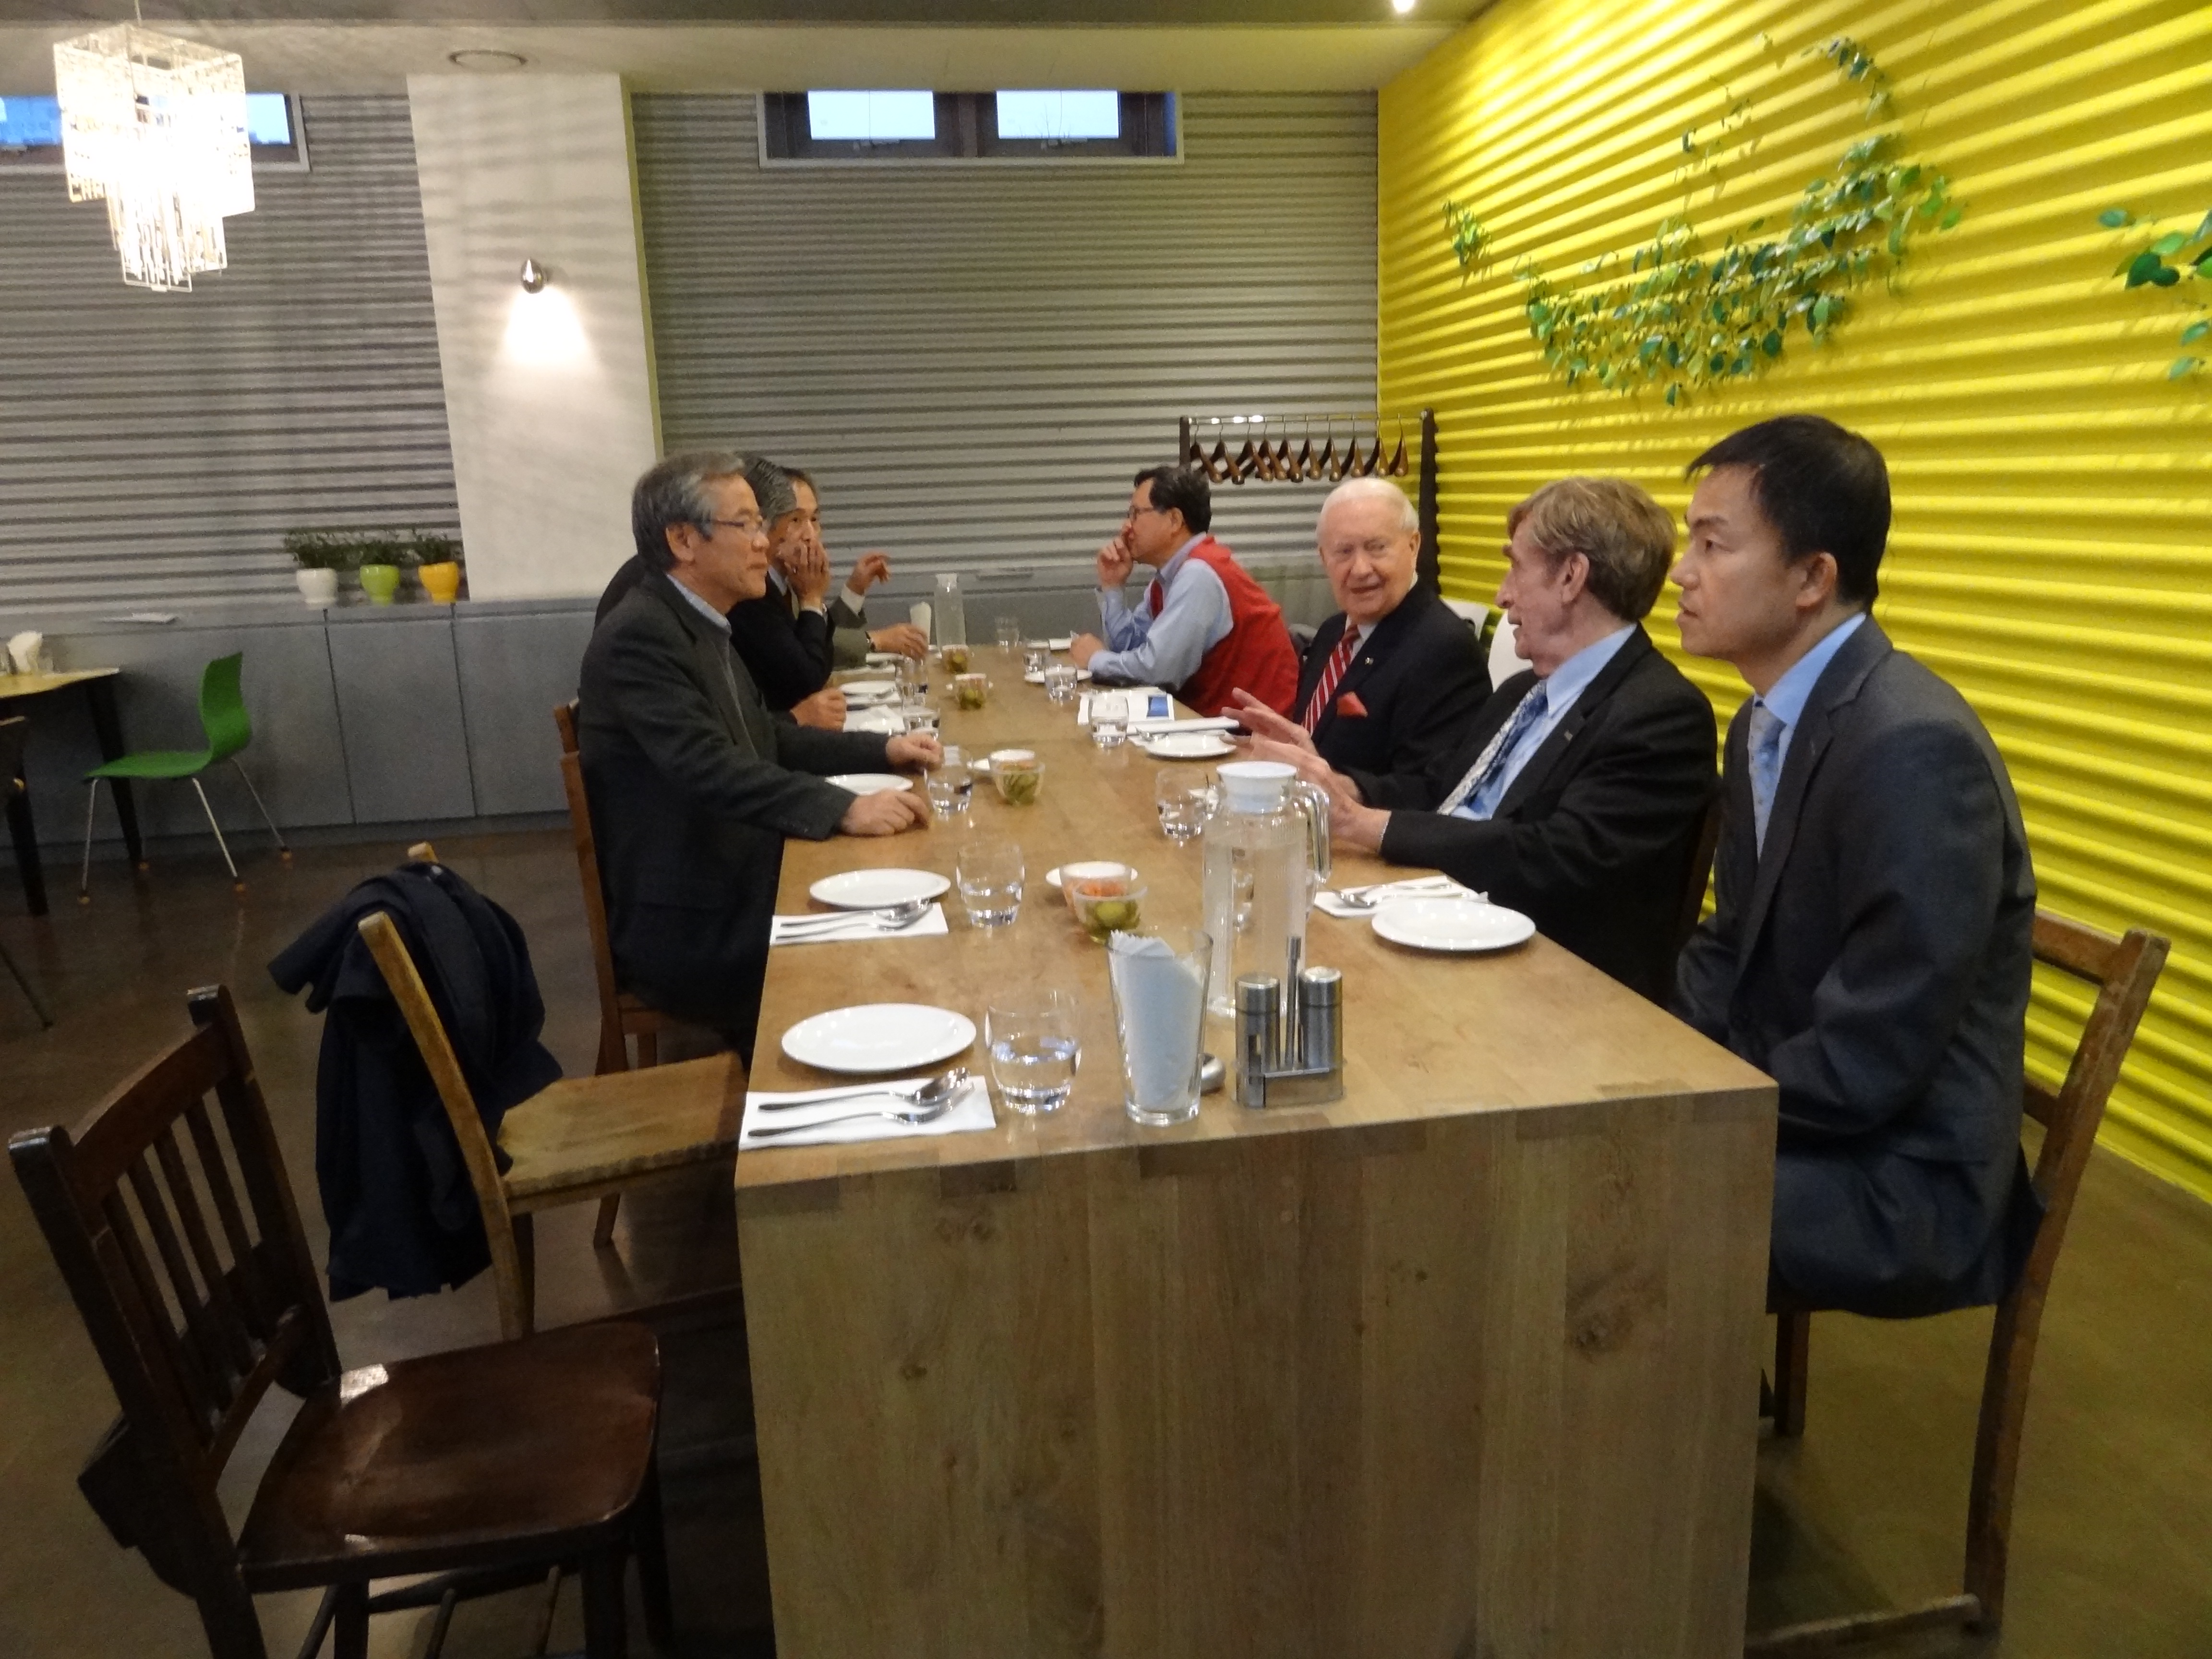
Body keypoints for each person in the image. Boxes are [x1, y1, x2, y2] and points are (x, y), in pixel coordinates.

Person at [1671, 414, 2039, 1318]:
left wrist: (1688, 1110)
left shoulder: (1912, 747)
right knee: (1579, 1168)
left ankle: (1685, 1406)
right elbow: (1728, 942)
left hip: (1906, 1174)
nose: (1680, 572)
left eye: (1712, 544)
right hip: (1812, 1115)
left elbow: (1873, 1053)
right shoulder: (1762, 721)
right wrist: (1655, 1064)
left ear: (1812, 578)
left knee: (1602, 1203)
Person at [1238, 476, 1715, 1002]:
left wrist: (1364, 824)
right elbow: (1438, 788)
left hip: (1544, 989)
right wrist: (1336, 786)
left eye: (1516, 567)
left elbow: (1557, 859)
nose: (1502, 594)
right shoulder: (1522, 692)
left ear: (1571, 578)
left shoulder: (1660, 712)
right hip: (1438, 930)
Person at [579, 451, 936, 1060]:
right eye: (745, 524)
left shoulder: (700, 621)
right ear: (683, 541)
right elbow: (711, 768)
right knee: (888, 940)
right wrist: (843, 808)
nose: (765, 543)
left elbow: (765, 737)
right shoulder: (642, 635)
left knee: (905, 903)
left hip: (735, 877)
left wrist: (883, 750)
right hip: (696, 919)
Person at [1288, 476, 1490, 801]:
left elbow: (1433, 790)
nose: (1360, 569)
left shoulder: (1444, 649)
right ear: (1324, 559)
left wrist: (1339, 787)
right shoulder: (1331, 632)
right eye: (1344, 552)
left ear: (1414, 547)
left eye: (1377, 548)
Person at [1069, 464, 1299, 718]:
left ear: (1174, 521)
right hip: (1209, 722)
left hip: (1249, 733)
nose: (1126, 528)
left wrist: (1095, 659)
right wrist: (1113, 586)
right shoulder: (1170, 577)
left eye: (1136, 514)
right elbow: (1133, 649)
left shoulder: (1198, 575)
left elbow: (1158, 671)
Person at [731, 467, 930, 726]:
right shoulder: (753, 591)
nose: (809, 535)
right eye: (795, 520)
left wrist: (852, 591)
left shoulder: (789, 580)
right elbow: (807, 675)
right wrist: (813, 599)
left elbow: (817, 646)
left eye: (814, 520)